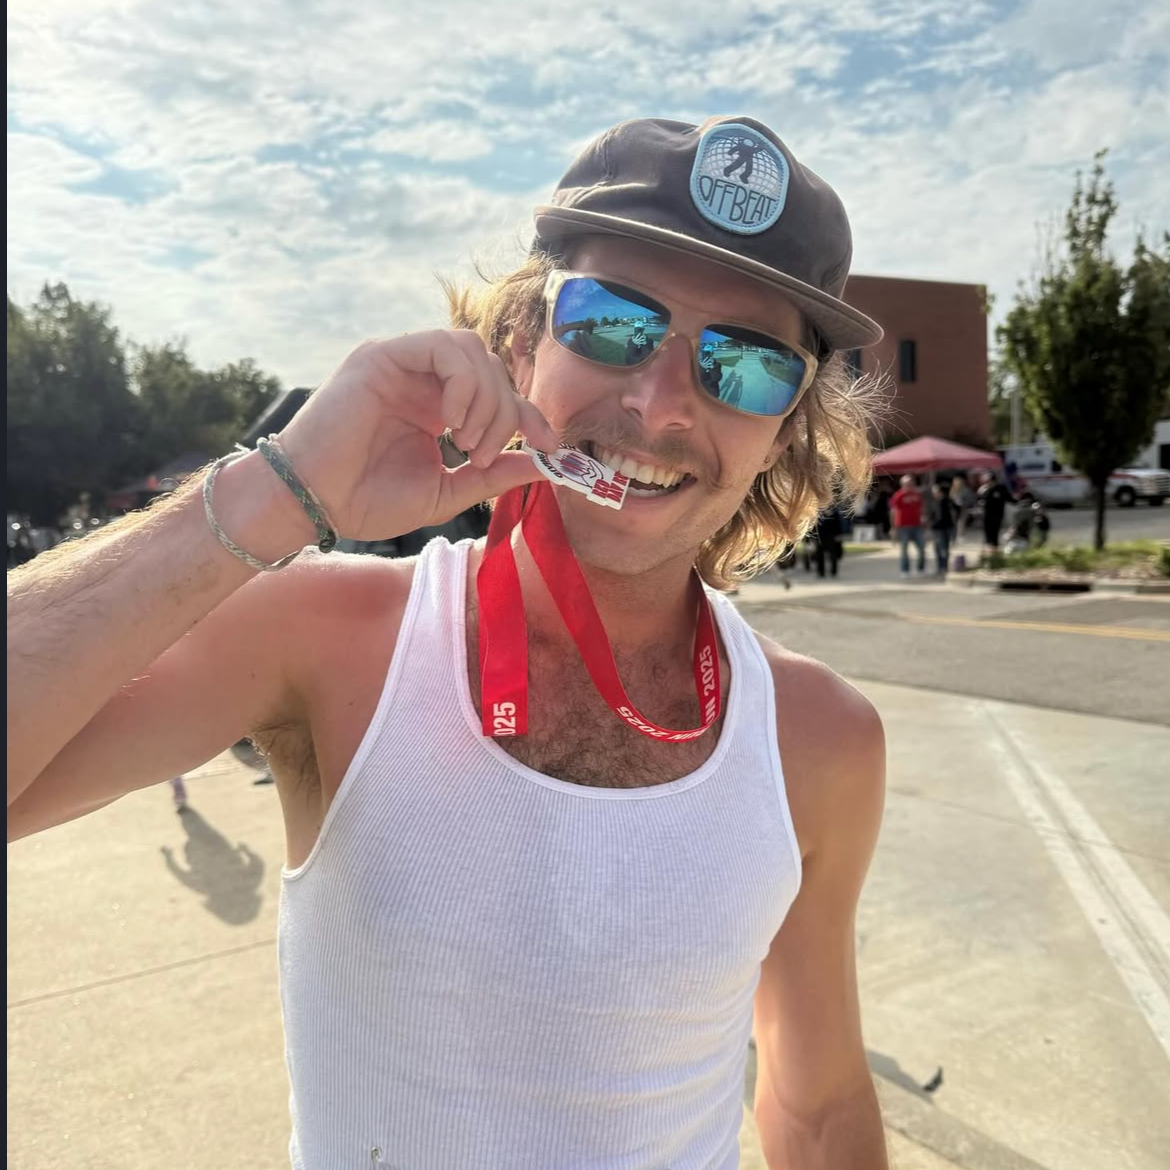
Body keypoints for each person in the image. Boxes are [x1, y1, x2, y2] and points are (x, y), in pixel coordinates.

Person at [8, 115, 890, 1169]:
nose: (660, 407)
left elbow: (818, 1099)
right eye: (612, 324)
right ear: (522, 343)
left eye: (743, 367)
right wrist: (281, 488)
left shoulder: (821, 740)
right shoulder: (326, 641)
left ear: (786, 427)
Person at [889, 473, 926, 578]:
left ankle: (921, 569)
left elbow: (921, 508)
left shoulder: (917, 495)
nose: (909, 486)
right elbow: (893, 512)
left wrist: (923, 518)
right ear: (902, 484)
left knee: (922, 548)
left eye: (911, 483)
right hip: (903, 526)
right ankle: (905, 570)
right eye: (907, 484)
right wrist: (893, 527)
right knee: (904, 550)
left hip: (916, 525)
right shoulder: (898, 495)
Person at [927, 483, 959, 577]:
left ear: (941, 492)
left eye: (936, 492)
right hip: (936, 529)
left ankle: (944, 567)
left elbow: (957, 510)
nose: (935, 494)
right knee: (937, 549)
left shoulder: (948, 501)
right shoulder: (933, 502)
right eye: (934, 492)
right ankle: (939, 567)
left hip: (946, 528)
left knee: (944, 549)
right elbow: (931, 515)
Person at [978, 470, 1011, 555]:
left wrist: (1020, 501)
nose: (988, 483)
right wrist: (980, 496)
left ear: (994, 481)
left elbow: (1009, 498)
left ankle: (995, 551)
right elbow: (979, 500)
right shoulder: (984, 489)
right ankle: (988, 550)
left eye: (989, 481)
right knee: (987, 533)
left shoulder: (1001, 489)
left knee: (995, 533)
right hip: (986, 515)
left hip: (997, 515)